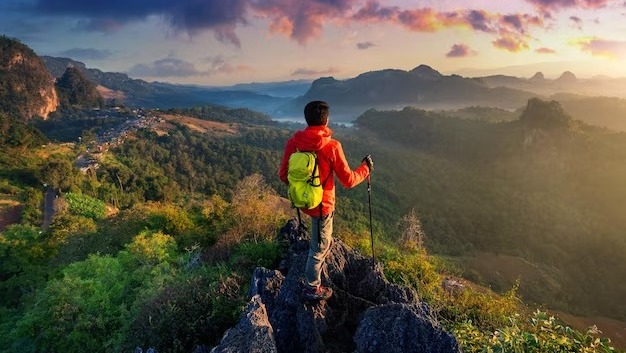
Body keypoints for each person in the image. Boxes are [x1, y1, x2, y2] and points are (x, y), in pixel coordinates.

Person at [279, 100, 373, 301]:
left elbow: (283, 175)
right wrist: (365, 169)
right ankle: (312, 288)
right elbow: (348, 180)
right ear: (326, 120)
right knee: (319, 247)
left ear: (306, 119)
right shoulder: (332, 146)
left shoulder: (294, 143)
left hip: (304, 203)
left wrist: (303, 190)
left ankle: (316, 269)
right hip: (323, 206)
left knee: (318, 239)